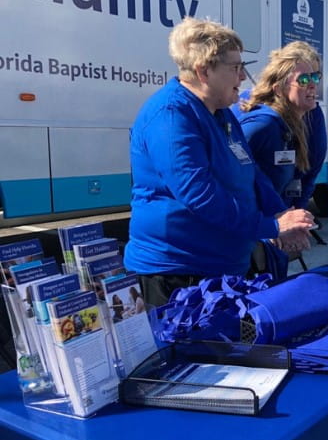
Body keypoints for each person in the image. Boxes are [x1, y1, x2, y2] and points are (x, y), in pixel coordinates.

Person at [124, 17, 314, 307]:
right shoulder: (171, 115)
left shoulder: (221, 112)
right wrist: (271, 228)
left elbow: (253, 175)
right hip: (180, 274)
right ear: (204, 71)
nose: (242, 77)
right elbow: (199, 195)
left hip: (225, 267)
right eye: (235, 68)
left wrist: (283, 217)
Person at [234, 41, 326, 210]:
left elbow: (310, 172)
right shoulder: (264, 125)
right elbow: (228, 177)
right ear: (279, 89)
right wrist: (266, 226)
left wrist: (295, 216)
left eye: (315, 77)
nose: (313, 84)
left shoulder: (308, 117)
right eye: (304, 79)